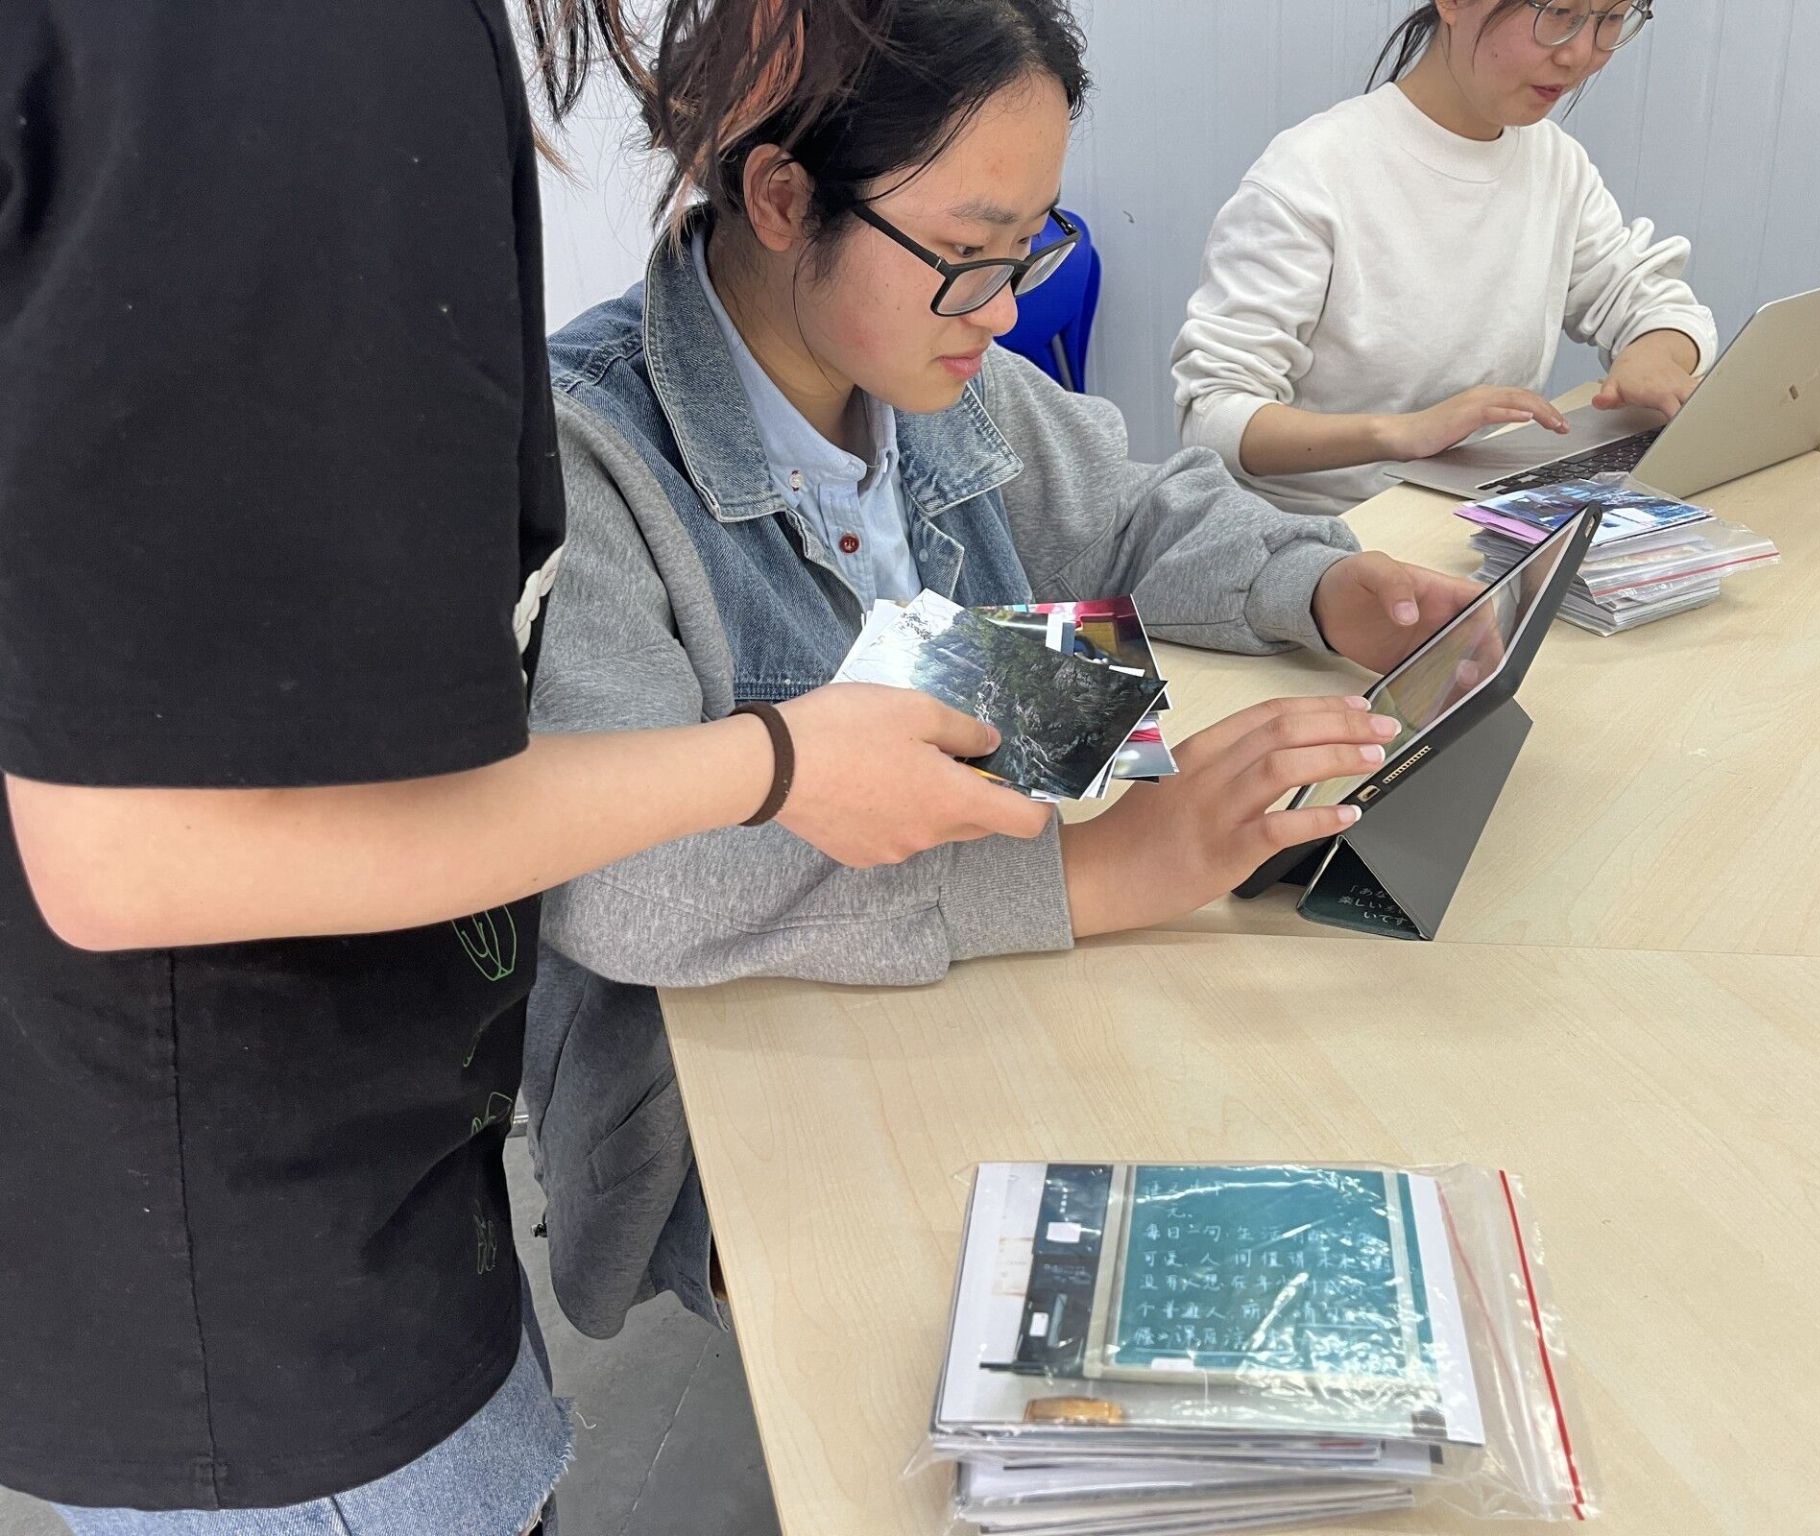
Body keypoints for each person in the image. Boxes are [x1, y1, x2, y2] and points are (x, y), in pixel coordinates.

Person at [0, 2, 1051, 1531]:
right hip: (253, 1267)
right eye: (968, 246)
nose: (998, 307)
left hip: (343, 1182)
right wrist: (774, 765)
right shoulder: (289, 57)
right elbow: (143, 856)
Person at [516, 0, 1485, 1345]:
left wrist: (1319, 585)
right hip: (731, 1107)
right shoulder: (586, 454)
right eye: (970, 255)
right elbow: (616, 884)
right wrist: (1091, 875)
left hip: (977, 978)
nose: (1009, 306)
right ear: (783, 198)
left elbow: (1134, 512)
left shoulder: (931, 367)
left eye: (1028, 249)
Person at [1171, 0, 1719, 516]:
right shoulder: (1312, 173)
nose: (1580, 55)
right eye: (1559, 13)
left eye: (1612, 18)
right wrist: (1402, 433)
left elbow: (1653, 304)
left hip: (1475, 518)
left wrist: (1653, 355)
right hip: (1322, 538)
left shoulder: (1555, 163)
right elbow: (1214, 415)